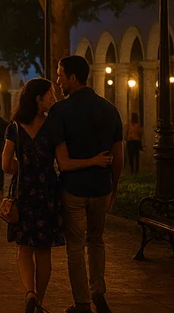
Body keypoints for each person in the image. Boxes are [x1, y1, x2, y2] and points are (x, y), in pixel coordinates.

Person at [46, 55, 124, 313]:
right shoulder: (109, 109)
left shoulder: (60, 111)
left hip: (74, 189)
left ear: (72, 77)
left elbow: (62, 160)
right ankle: (98, 288)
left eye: (60, 75)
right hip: (101, 187)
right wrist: (113, 187)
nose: (57, 81)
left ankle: (81, 302)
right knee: (97, 240)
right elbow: (118, 156)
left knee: (76, 247)